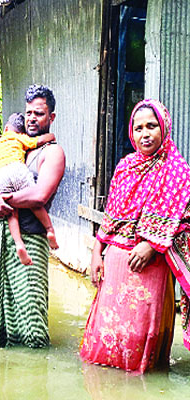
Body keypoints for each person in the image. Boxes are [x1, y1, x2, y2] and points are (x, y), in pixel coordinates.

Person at [80, 99, 190, 374]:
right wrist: (96, 253)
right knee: (104, 342)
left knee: (141, 347)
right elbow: (110, 217)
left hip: (150, 269)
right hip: (115, 267)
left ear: (164, 128)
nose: (145, 134)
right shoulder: (125, 166)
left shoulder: (177, 170)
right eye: (139, 128)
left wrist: (152, 245)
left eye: (151, 126)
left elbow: (183, 220)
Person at [0, 84, 65, 348]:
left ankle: (35, 374)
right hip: (4, 239)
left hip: (30, 240)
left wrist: (1, 200)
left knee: (32, 316)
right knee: (4, 317)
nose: (32, 118)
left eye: (39, 113)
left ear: (50, 118)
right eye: (29, 112)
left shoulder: (52, 152)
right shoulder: (17, 147)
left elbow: (39, 196)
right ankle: (7, 380)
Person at [0, 112, 59, 265]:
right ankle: (49, 229)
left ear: (6, 128)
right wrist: (51, 136)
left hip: (0, 176)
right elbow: (38, 141)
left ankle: (19, 244)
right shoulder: (18, 138)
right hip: (16, 169)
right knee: (32, 201)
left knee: (11, 212)